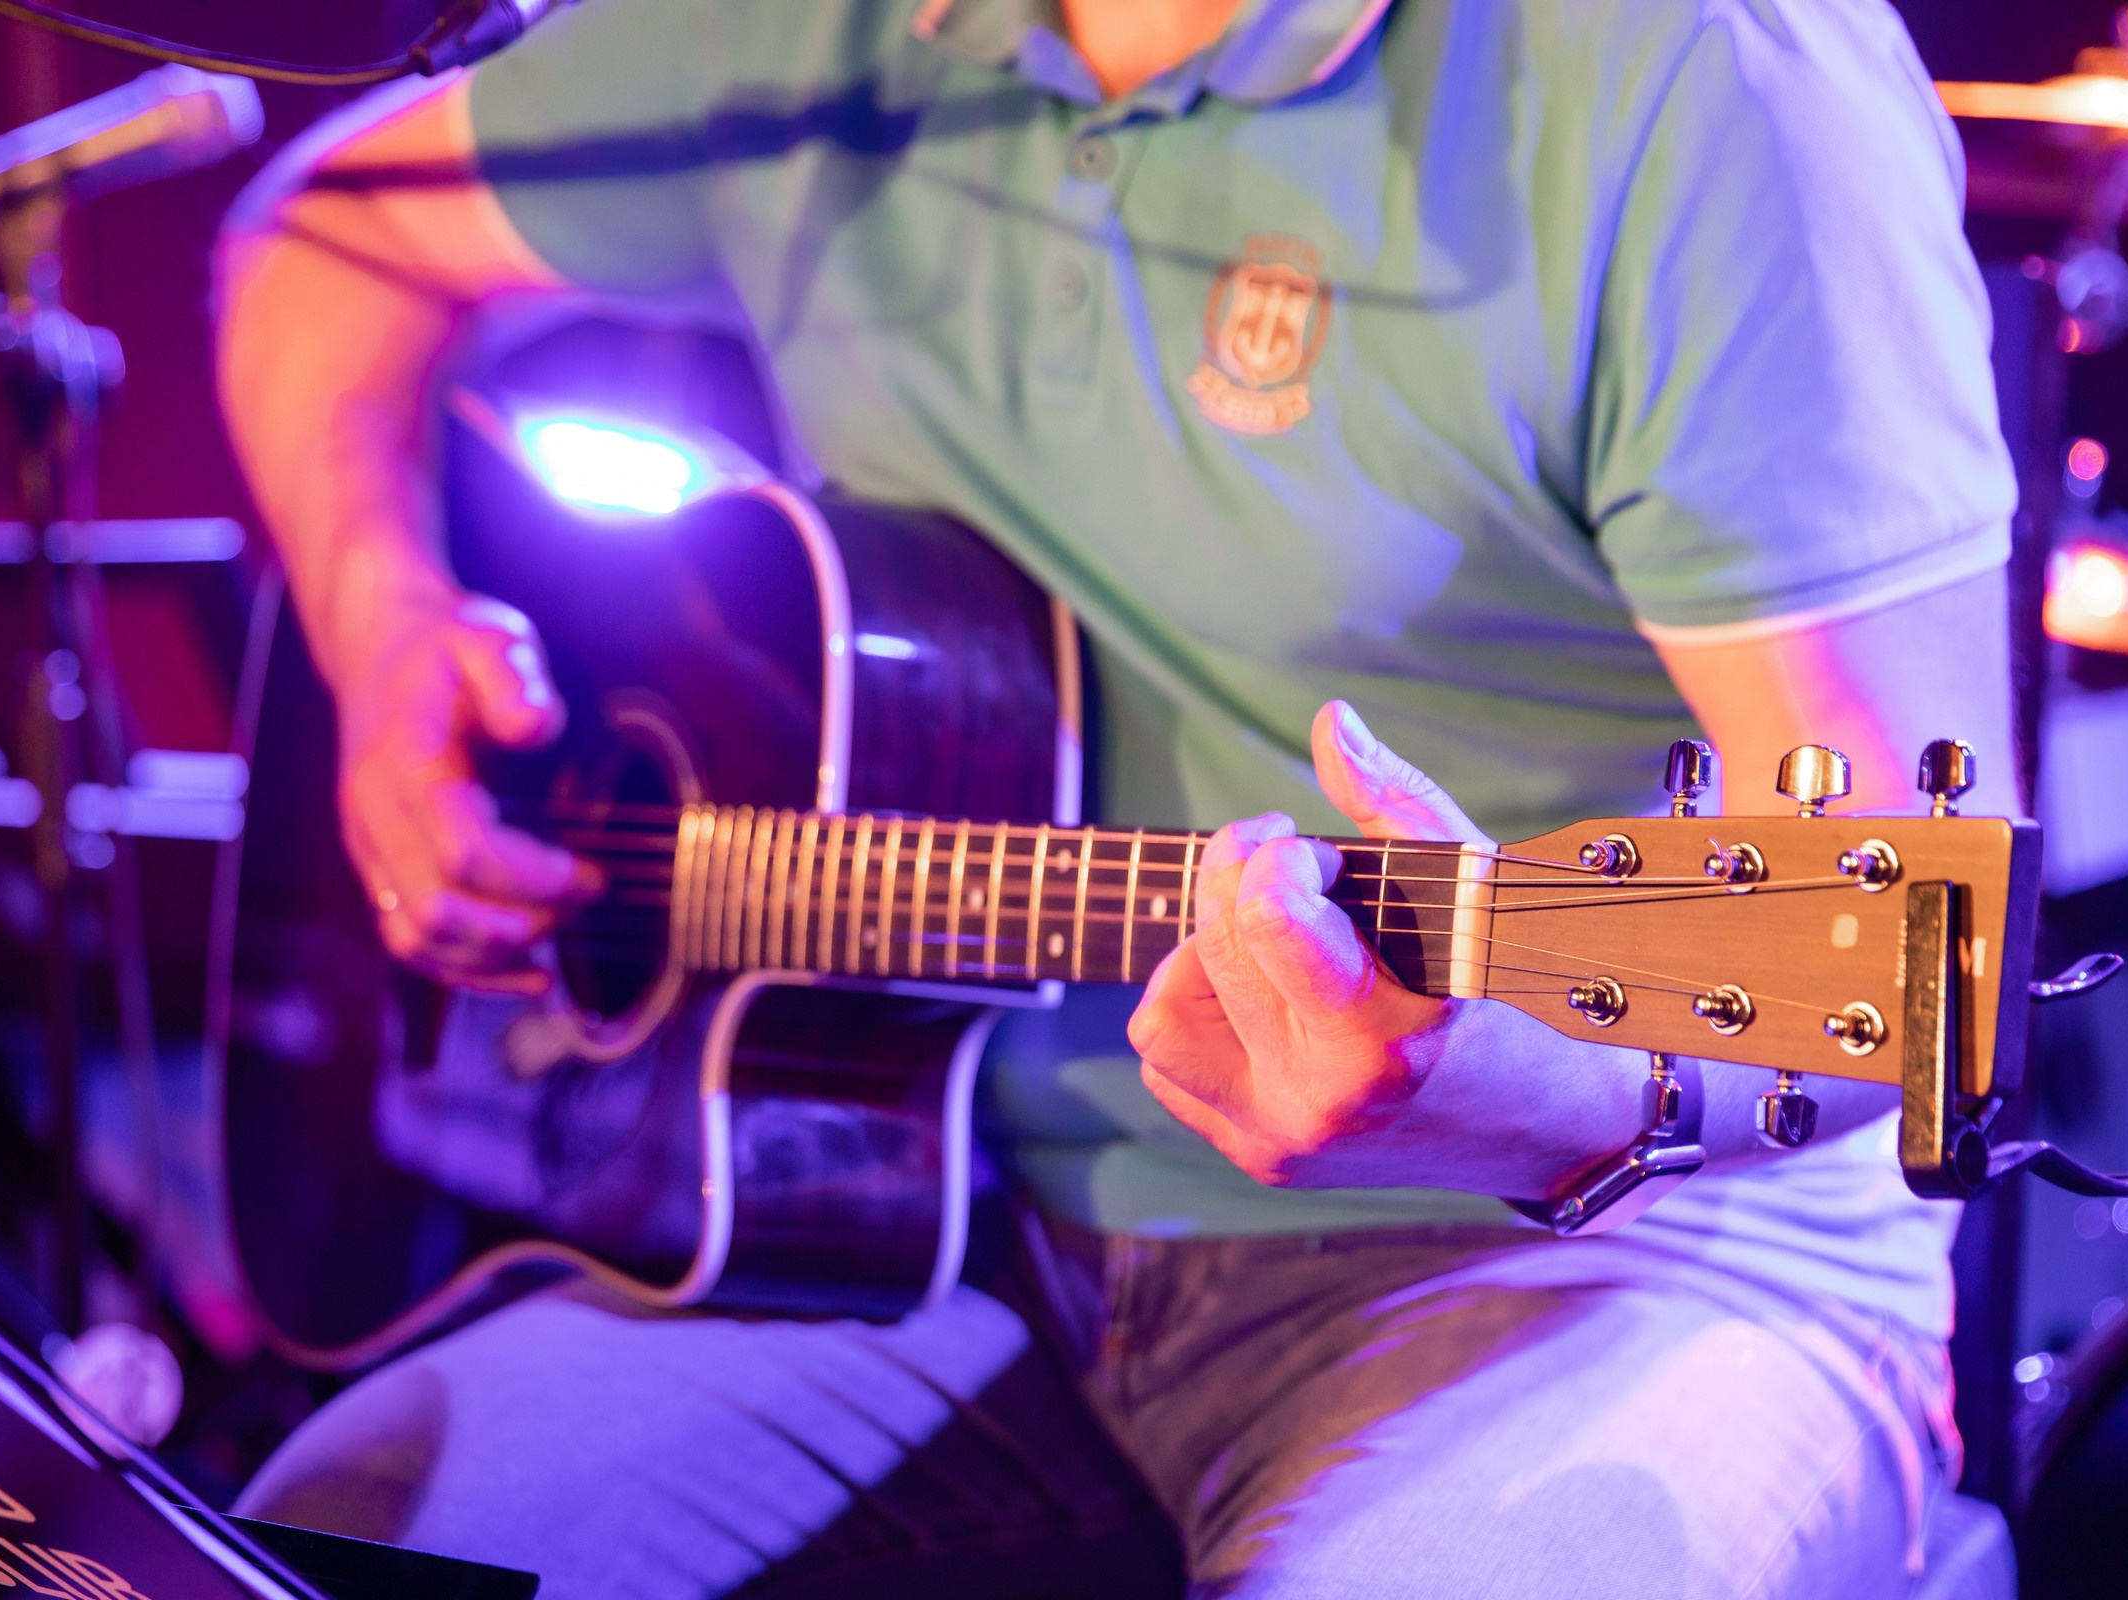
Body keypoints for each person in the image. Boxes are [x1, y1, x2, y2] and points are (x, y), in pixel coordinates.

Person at [214, 0, 2021, 1594]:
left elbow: (1895, 953)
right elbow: (324, 245)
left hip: (1636, 1262)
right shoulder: (796, 23)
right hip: (930, 1226)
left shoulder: (1704, 63)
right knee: (323, 1543)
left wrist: (1487, 1085)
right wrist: (384, 635)